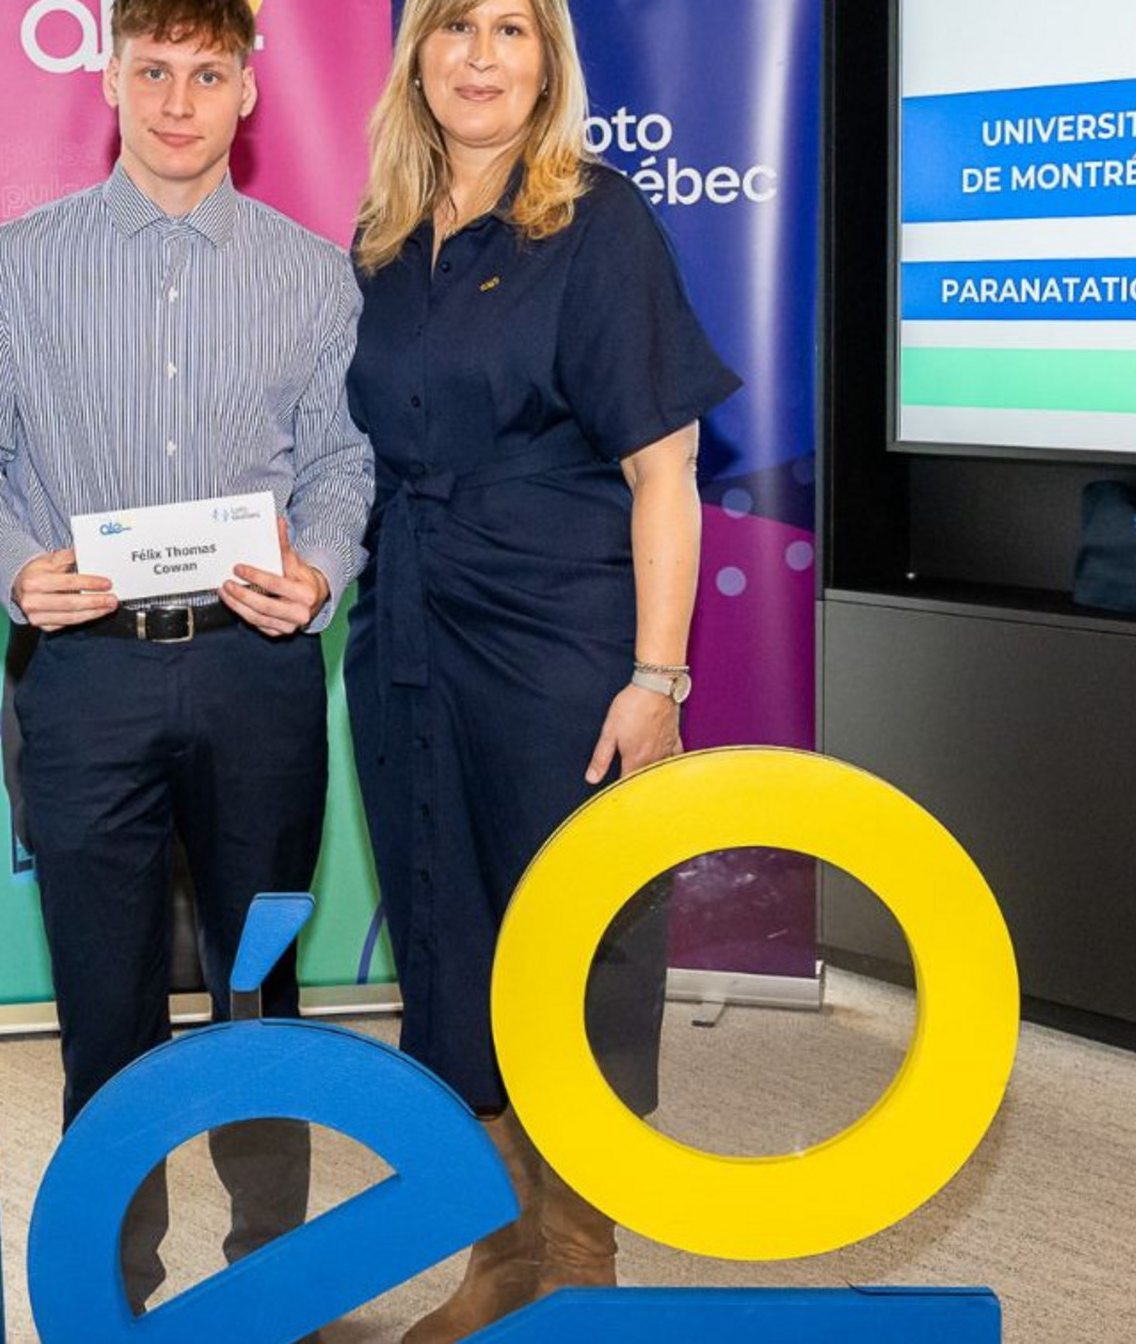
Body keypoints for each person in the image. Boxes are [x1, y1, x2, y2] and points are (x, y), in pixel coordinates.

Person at [0, 0, 373, 1317]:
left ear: (249, 91)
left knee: (261, 987)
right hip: (86, 680)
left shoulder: (313, 274)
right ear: (109, 80)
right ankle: (108, 1296)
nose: (180, 101)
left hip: (258, 675)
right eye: (155, 70)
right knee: (103, 998)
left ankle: (275, 1285)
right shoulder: (19, 265)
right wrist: (14, 563)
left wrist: (321, 566)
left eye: (208, 73)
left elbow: (345, 463)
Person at [343, 1, 741, 1339]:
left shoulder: (599, 221)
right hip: (405, 634)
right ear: (416, 58)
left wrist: (658, 679)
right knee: (446, 937)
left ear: (548, 63)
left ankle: (577, 1263)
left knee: (568, 942)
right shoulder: (385, 235)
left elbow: (667, 471)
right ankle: (501, 1252)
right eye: (454, 26)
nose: (480, 56)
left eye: (510, 29)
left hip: (557, 641)